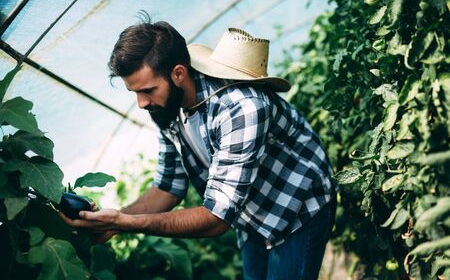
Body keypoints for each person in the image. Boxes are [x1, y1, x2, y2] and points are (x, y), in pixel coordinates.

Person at [60, 15, 338, 280]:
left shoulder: (241, 108)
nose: (141, 103)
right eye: (135, 93)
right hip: (250, 207)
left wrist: (124, 222)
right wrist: (111, 223)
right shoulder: (168, 108)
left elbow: (216, 219)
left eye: (147, 90)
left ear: (178, 73)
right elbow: (169, 186)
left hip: (298, 204)